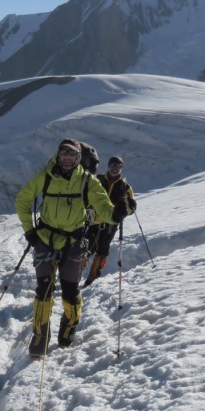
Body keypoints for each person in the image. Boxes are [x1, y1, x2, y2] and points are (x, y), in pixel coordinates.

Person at [15, 139, 128, 357]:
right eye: (63, 154)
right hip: (46, 240)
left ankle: (68, 329)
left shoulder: (87, 180)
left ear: (78, 158)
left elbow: (103, 205)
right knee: (43, 289)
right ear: (58, 156)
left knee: (70, 291)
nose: (67, 158)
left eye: (72, 155)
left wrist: (115, 213)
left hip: (73, 242)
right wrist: (30, 231)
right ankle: (40, 336)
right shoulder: (46, 176)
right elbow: (23, 199)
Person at [84, 156, 137, 286]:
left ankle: (92, 278)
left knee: (102, 249)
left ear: (121, 168)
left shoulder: (125, 186)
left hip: (111, 222)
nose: (115, 169)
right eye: (113, 166)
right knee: (85, 247)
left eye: (118, 166)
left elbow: (132, 206)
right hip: (93, 219)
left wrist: (124, 212)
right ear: (108, 166)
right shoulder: (98, 179)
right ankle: (73, 276)